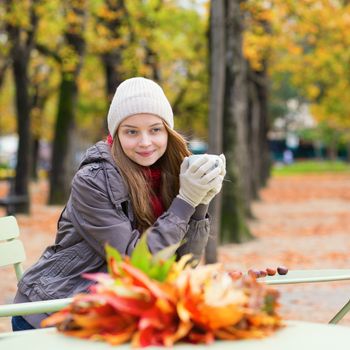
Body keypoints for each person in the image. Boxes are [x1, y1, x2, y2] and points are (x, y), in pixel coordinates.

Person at [12, 77, 226, 331]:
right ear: (116, 134)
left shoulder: (173, 171)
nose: (145, 142)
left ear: (168, 131)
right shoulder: (92, 180)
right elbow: (134, 263)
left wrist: (200, 200)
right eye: (131, 131)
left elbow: (183, 263)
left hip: (120, 310)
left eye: (155, 129)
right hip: (55, 311)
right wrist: (186, 200)